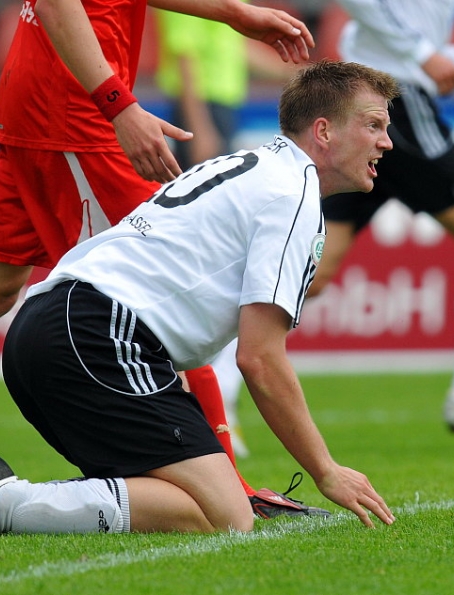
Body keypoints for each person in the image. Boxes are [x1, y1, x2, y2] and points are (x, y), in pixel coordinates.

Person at [0, 0, 319, 525]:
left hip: (47, 100)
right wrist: (119, 105)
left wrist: (233, 12)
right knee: (158, 290)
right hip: (75, 111)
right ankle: (235, 489)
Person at [0, 60, 400, 539]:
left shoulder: (258, 167)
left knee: (200, 507)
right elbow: (259, 358)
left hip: (57, 329)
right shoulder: (292, 193)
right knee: (228, 517)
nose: (387, 142)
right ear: (324, 131)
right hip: (96, 336)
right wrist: (326, 471)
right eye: (374, 125)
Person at [307, 0, 454, 436]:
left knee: (311, 274)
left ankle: (213, 387)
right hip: (396, 101)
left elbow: (409, 32)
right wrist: (424, 56)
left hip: (367, 97)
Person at [154, 6, 302, 455]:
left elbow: (235, 53)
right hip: (201, 112)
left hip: (221, 111)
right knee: (209, 261)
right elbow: (184, 59)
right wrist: (198, 125)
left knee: (220, 262)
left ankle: (215, 404)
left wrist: (304, 78)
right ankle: (209, 405)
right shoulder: (192, 8)